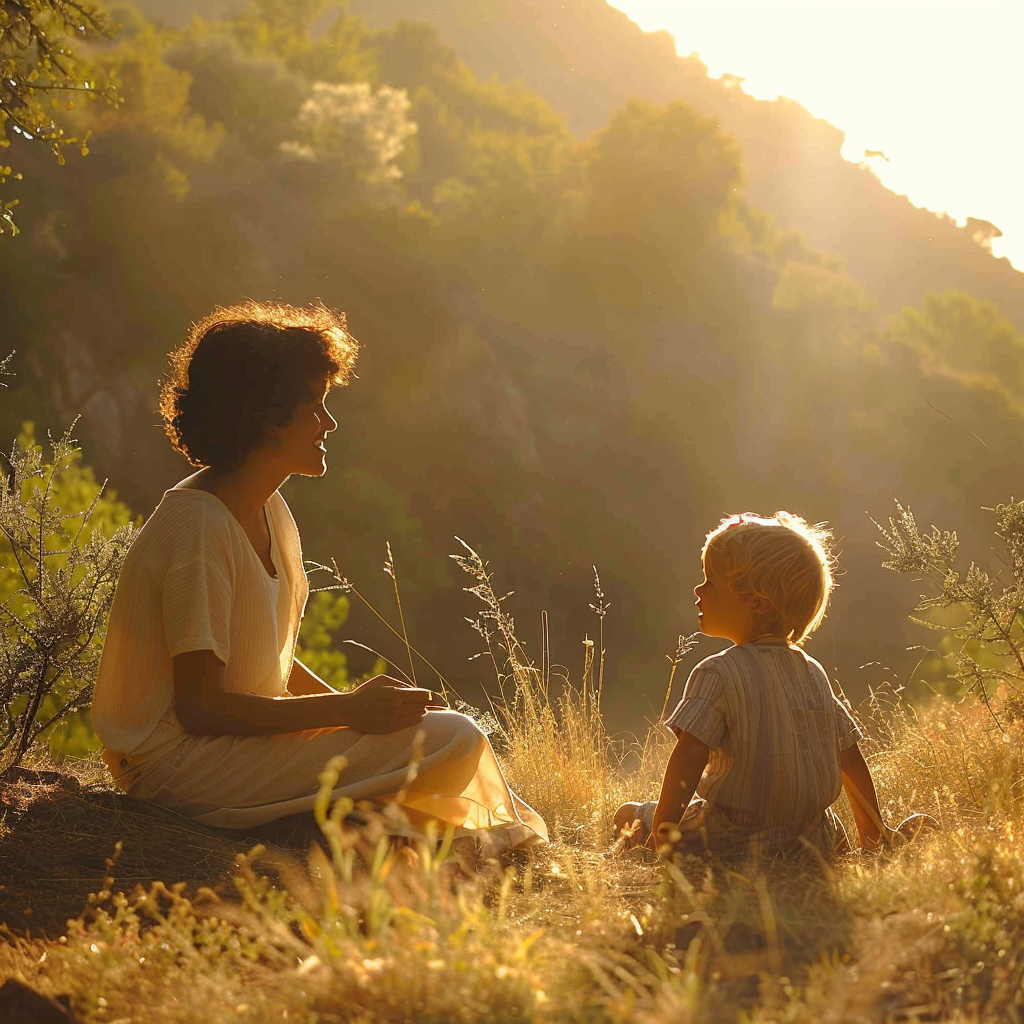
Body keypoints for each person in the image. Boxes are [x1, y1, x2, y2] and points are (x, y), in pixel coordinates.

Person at [92, 301, 546, 854]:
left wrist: (361, 720)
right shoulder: (198, 525)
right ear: (264, 414)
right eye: (314, 407)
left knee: (439, 734)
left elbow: (265, 663)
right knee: (457, 735)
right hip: (178, 765)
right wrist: (347, 713)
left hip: (234, 745)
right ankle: (413, 837)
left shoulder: (269, 509)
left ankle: (375, 830)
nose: (329, 423)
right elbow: (201, 706)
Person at [614, 512, 888, 866]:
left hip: (730, 839)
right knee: (828, 835)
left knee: (628, 813)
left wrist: (664, 830)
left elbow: (689, 755)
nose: (699, 590)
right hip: (810, 839)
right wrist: (872, 837)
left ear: (756, 602)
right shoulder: (814, 673)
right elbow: (849, 757)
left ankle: (648, 828)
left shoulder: (718, 671)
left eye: (711, 581)